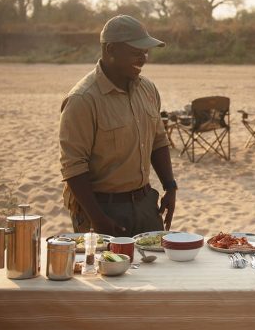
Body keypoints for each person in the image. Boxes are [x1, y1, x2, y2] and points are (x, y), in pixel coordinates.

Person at [59, 14, 178, 237]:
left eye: (145, 52)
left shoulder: (148, 89)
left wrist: (170, 187)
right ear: (111, 50)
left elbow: (158, 141)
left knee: (157, 269)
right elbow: (73, 167)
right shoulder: (83, 99)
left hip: (145, 204)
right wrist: (98, 219)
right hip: (102, 208)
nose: (144, 58)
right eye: (136, 52)